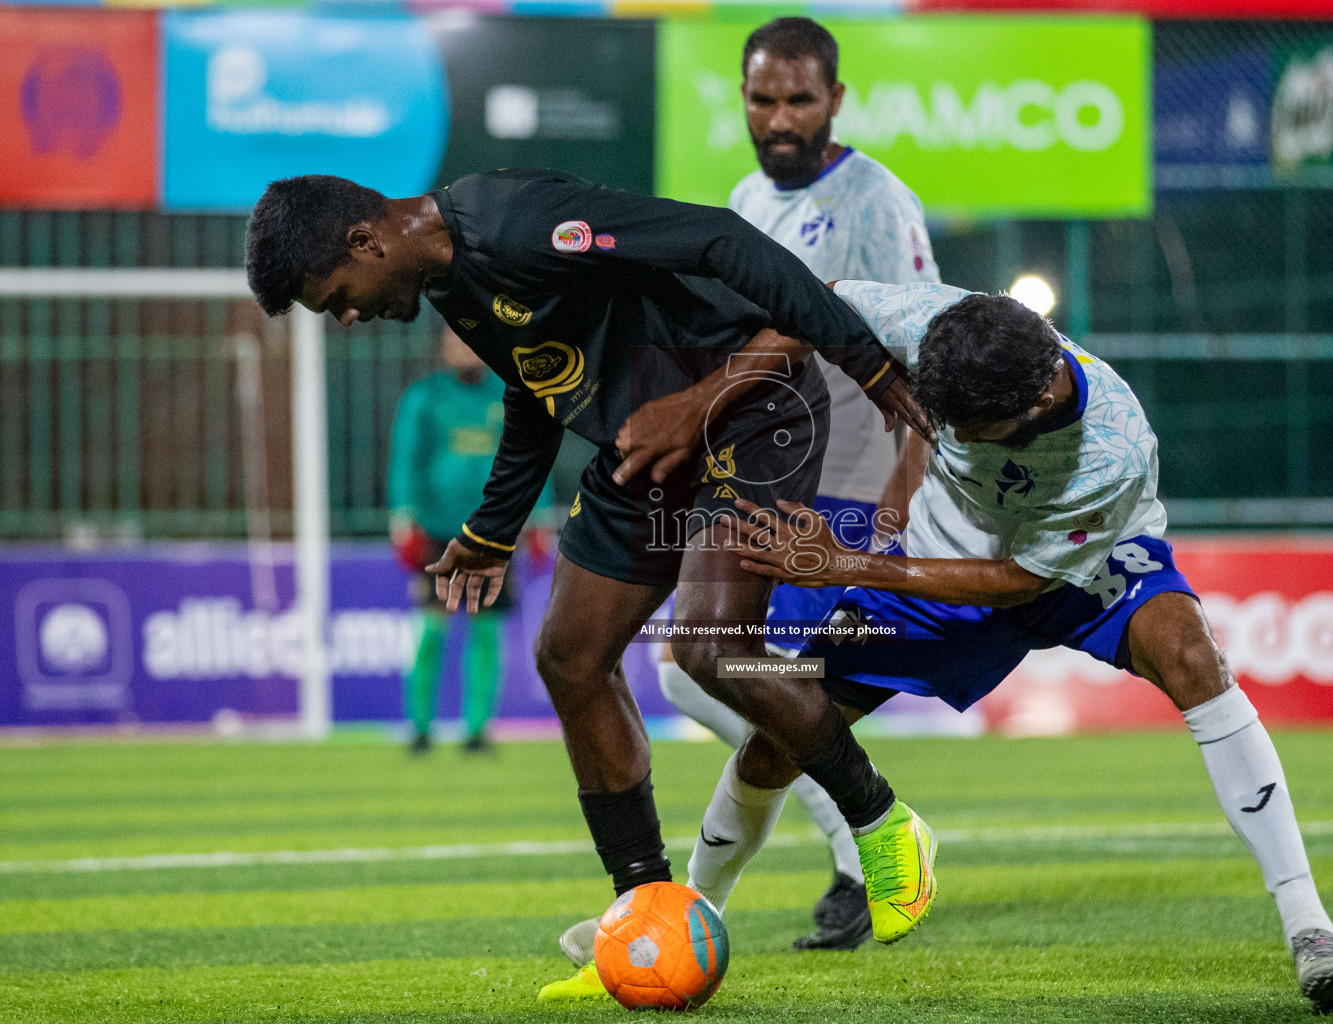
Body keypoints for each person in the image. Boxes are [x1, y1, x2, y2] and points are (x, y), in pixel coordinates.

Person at [242, 170, 940, 1003]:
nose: (349, 318)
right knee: (569, 657)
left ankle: (884, 822)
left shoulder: (516, 219)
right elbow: (536, 389)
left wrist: (859, 356)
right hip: (641, 446)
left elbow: (720, 236)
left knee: (710, 649)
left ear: (366, 243)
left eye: (338, 299)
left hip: (751, 412)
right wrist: (492, 526)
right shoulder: (451, 282)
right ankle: (642, 917)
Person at [688, 280, 1333, 1011]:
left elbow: (1016, 582)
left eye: (966, 423)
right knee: (777, 740)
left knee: (1193, 658)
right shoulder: (940, 320)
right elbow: (813, 301)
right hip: (930, 560)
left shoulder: (1111, 451)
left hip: (1070, 566)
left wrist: (850, 563)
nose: (945, 432)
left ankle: (1312, 927)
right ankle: (692, 911)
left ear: (1037, 404)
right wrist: (713, 401)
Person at [644, 16, 942, 954]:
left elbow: (920, 355)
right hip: (774, 469)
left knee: (725, 668)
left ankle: (857, 851)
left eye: (799, 99)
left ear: (835, 100)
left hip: (847, 479)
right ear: (741, 97)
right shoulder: (745, 196)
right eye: (763, 99)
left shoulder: (876, 205)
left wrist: (896, 509)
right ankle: (861, 840)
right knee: (705, 668)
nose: (780, 118)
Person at [388, 325, 552, 753]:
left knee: (486, 633)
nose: (463, 347)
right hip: (436, 531)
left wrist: (539, 519)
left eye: (469, 339)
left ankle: (477, 729)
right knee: (430, 630)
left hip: (493, 532)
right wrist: (403, 517)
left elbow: (534, 456)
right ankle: (419, 727)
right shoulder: (425, 397)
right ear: (442, 346)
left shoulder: (510, 393)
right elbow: (406, 460)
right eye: (455, 340)